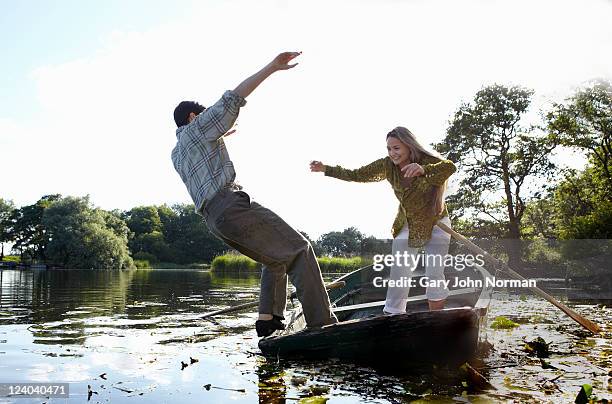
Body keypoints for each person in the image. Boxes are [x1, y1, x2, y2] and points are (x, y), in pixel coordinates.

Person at [171, 52, 338, 337]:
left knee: (274, 259)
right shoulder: (199, 127)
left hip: (214, 220)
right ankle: (323, 325)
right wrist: (272, 67)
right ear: (192, 116)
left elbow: (205, 155)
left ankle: (268, 320)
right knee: (300, 249)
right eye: (203, 115)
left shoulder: (176, 152)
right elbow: (232, 98)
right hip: (230, 205)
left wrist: (222, 135)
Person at [310, 127, 456, 313]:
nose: (392, 153)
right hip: (407, 224)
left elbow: (450, 167)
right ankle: (393, 315)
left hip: (437, 223)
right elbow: (357, 174)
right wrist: (326, 169)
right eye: (389, 148)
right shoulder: (387, 166)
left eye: (396, 148)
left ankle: (437, 318)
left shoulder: (427, 161)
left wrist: (423, 169)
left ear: (409, 146)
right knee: (399, 273)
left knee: (434, 274)